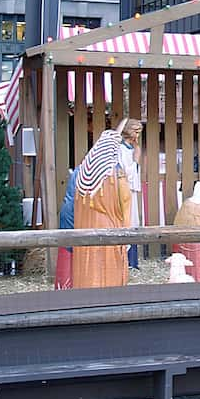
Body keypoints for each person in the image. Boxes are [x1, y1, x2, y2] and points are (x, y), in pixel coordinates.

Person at [72, 130, 132, 289]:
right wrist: (127, 233)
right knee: (108, 273)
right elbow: (125, 204)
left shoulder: (84, 172)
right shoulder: (116, 175)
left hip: (84, 230)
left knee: (87, 270)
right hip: (110, 230)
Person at [117, 118, 143, 269]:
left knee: (133, 222)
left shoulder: (131, 148)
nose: (138, 134)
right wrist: (136, 158)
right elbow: (125, 172)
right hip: (123, 190)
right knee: (125, 221)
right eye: (135, 130)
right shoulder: (120, 149)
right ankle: (125, 262)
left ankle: (133, 261)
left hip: (130, 191)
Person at [54, 166, 78, 290]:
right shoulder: (86, 173)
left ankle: (63, 288)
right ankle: (65, 288)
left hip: (69, 212)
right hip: (74, 214)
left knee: (66, 252)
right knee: (69, 252)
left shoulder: (79, 170)